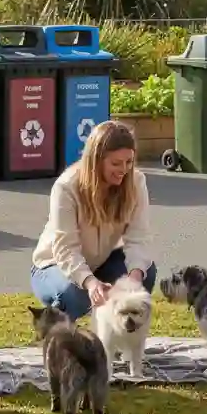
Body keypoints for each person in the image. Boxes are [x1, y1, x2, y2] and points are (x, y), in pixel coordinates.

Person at [31, 120, 156, 320]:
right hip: (54, 264)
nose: (124, 169)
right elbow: (66, 249)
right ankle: (57, 328)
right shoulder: (66, 187)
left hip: (102, 260)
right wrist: (90, 282)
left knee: (145, 273)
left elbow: (139, 237)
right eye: (115, 163)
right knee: (74, 296)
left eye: (129, 162)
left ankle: (118, 335)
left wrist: (134, 276)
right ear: (96, 160)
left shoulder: (136, 181)